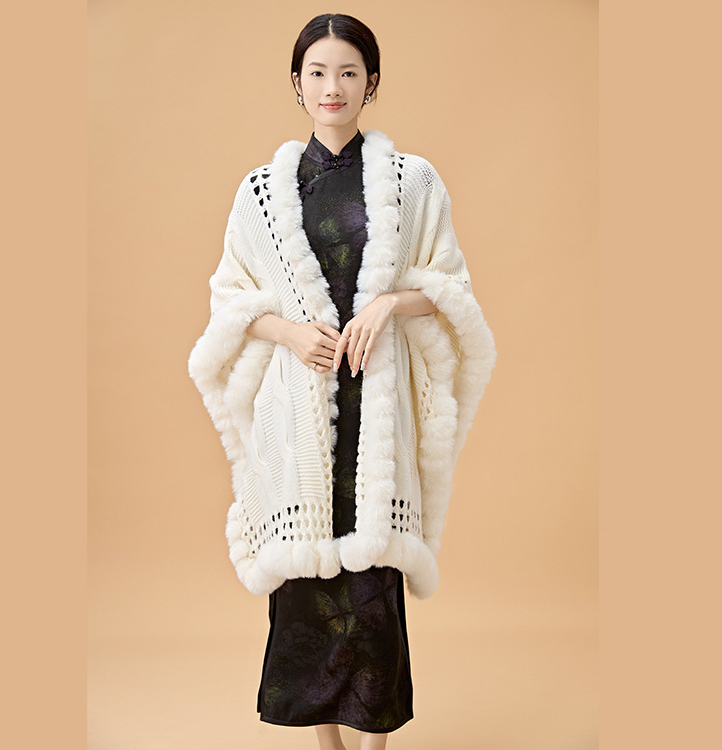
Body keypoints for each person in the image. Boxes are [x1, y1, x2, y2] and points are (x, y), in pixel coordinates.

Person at [188, 13, 496, 750]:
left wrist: (390, 304)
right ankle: (326, 746)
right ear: (297, 85)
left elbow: (452, 288)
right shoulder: (261, 194)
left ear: (372, 83)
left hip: (376, 408)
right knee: (306, 587)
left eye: (349, 72)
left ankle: (375, 744)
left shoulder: (414, 182)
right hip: (299, 410)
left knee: (373, 584)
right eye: (318, 73)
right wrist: (288, 331)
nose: (333, 86)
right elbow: (230, 301)